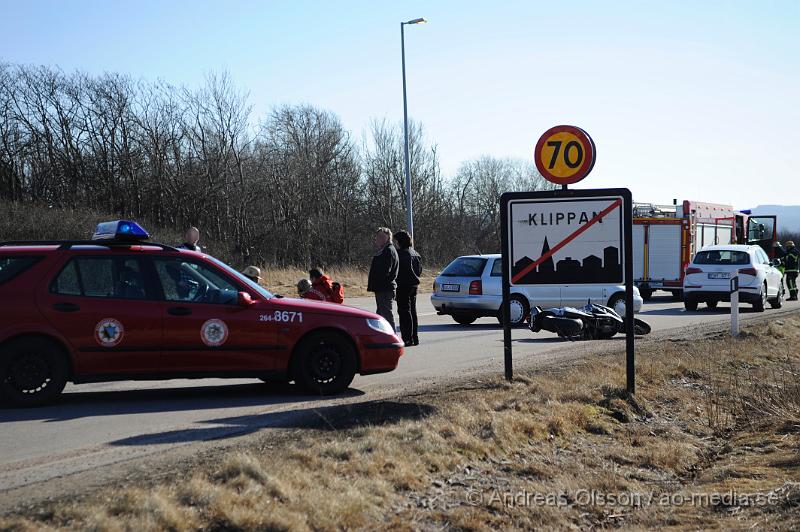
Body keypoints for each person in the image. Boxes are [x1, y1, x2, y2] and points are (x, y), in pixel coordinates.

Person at [394, 230, 422, 347]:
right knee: (412, 311)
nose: (394, 244)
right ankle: (414, 338)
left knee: (404, 312)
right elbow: (420, 270)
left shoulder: (401, 254)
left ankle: (407, 338)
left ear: (400, 242)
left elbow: (398, 271)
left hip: (403, 285)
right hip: (414, 285)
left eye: (395, 241)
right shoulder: (415, 253)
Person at [367, 227, 399, 331]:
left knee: (386, 315)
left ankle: (393, 337)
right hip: (382, 288)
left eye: (381, 237)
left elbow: (385, 271)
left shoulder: (388, 251)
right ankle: (379, 337)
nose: (378, 239)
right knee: (380, 316)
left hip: (385, 289)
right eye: (378, 237)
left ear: (388, 237)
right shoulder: (385, 250)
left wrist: (377, 281)